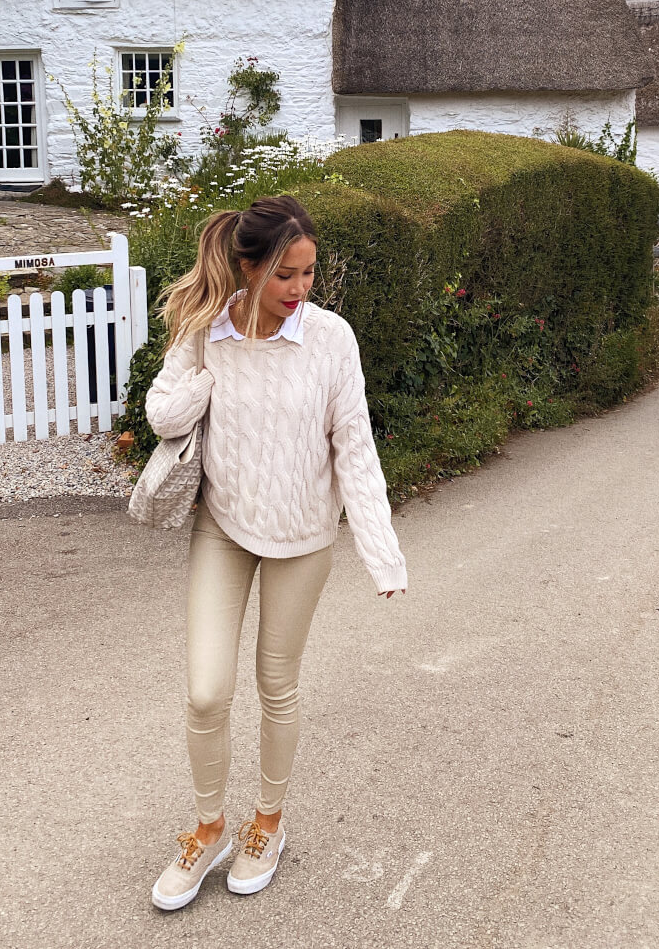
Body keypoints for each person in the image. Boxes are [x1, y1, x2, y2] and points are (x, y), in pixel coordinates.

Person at [146, 194, 407, 911]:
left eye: (309, 274)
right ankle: (209, 830)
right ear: (247, 266)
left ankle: (267, 821)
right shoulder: (205, 331)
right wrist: (205, 362)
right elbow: (162, 414)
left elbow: (355, 447)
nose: (299, 290)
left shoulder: (331, 340)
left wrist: (381, 552)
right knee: (205, 691)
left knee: (276, 684)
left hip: (302, 538)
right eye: (285, 275)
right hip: (223, 528)